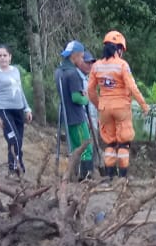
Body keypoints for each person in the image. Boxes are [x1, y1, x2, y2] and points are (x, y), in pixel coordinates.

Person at [86, 31, 149, 179]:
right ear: (119, 49)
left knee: (110, 144)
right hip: (121, 108)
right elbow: (133, 87)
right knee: (123, 143)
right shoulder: (122, 65)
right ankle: (123, 177)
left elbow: (90, 90)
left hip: (105, 109)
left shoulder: (96, 66)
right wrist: (144, 105)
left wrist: (99, 105)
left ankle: (108, 176)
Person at [0, 44, 33, 175]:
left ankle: (12, 166)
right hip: (4, 110)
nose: (2, 58)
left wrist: (27, 108)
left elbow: (20, 90)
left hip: (18, 110)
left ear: (10, 57)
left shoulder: (15, 71)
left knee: (19, 140)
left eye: (5, 55)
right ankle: (18, 166)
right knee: (14, 139)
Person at [55, 40, 94, 180]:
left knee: (74, 148)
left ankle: (73, 175)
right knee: (85, 148)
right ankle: (86, 177)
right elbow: (76, 98)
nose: (83, 59)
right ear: (75, 56)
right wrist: (86, 98)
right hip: (76, 117)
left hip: (66, 117)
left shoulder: (59, 71)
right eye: (82, 56)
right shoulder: (72, 74)